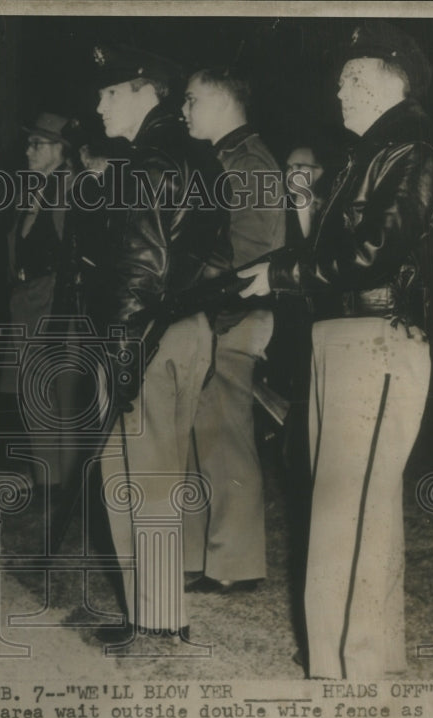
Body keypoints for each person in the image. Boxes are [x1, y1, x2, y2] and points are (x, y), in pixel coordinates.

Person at [238, 21, 433, 679]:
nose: (339, 94)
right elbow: (332, 252)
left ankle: (345, 677)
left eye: (348, 81)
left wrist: (280, 276)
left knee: (345, 510)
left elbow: (368, 255)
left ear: (383, 82)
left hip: (376, 339)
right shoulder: (371, 157)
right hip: (344, 337)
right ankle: (369, 662)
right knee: (360, 507)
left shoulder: (411, 154)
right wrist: (272, 271)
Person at [91, 44, 224, 643]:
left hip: (144, 335)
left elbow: (140, 270)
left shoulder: (145, 164)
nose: (98, 104)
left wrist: (122, 355)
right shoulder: (200, 158)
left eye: (110, 91)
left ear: (148, 92)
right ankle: (160, 614)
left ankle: (156, 619)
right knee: (158, 476)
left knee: (134, 478)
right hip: (186, 330)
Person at [180, 68, 285, 595]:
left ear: (224, 99)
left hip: (234, 314)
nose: (184, 109)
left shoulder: (250, 162)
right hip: (214, 313)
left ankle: (236, 564)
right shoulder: (221, 160)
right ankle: (205, 556)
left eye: (193, 99)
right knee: (204, 437)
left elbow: (253, 253)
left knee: (227, 441)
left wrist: (202, 301)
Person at [2, 113, 84, 504]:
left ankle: (66, 490)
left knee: (62, 395)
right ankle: (46, 484)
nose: (28, 150)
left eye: (38, 144)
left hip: (56, 300)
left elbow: (76, 255)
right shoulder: (32, 189)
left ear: (61, 150)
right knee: (33, 393)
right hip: (27, 299)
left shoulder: (69, 190)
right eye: (29, 143)